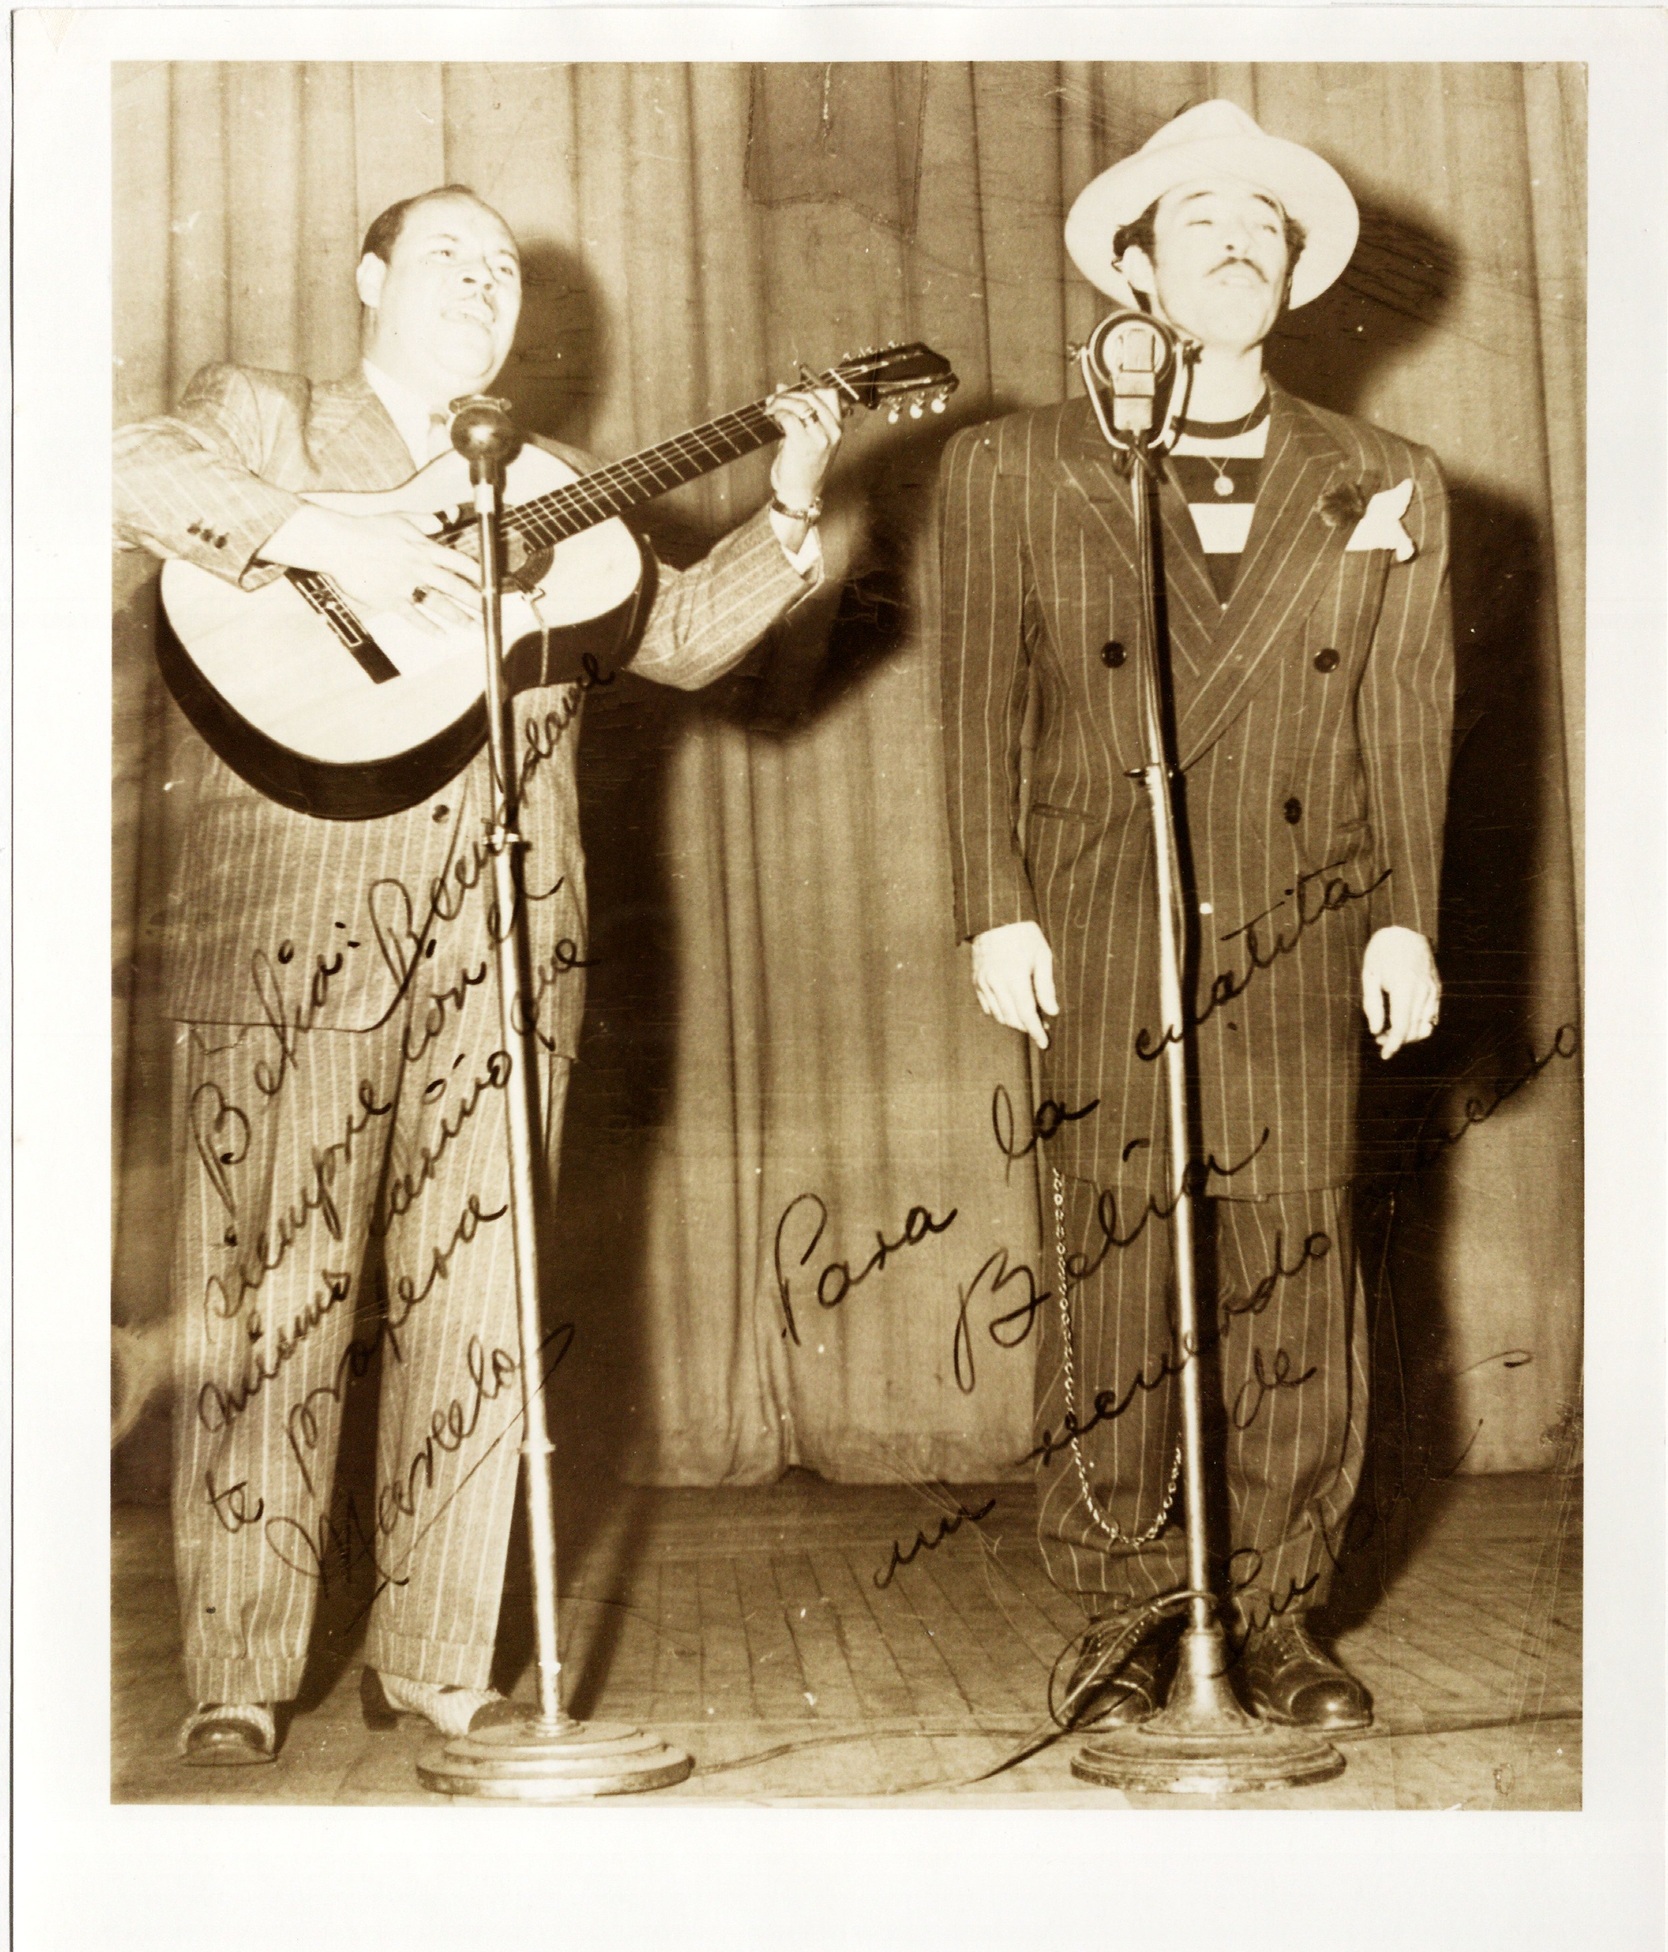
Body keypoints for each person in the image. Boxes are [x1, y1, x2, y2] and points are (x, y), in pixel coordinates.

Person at [115, 185, 841, 1764]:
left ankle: (441, 1660)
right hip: (295, 911)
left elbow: (687, 638)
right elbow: (125, 466)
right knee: (268, 1296)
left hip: (507, 931)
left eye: (506, 269)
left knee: (483, 1306)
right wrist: (340, 541)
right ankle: (239, 1670)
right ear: (370, 276)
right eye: (451, 253)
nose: (483, 280)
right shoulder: (270, 415)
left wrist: (790, 508)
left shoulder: (566, 487)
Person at [937, 102, 1452, 1732]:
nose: (1235, 244)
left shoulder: (1387, 480)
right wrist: (989, 908)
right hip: (1100, 914)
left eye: (1264, 229)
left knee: (1298, 1260)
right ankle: (1123, 1608)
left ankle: (1282, 1607)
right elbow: (974, 716)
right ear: (1135, 266)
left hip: (1309, 917)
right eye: (1199, 222)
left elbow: (1405, 718)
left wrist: (1405, 921)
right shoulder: (1012, 465)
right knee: (1114, 1257)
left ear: (1292, 280)